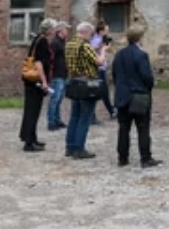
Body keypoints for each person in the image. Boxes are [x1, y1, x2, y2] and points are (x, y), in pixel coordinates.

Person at [111, 24, 159, 168]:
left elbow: (114, 74)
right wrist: (149, 86)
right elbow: (147, 76)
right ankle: (145, 158)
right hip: (138, 94)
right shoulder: (141, 55)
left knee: (123, 128)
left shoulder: (119, 54)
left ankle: (122, 157)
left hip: (122, 95)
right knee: (143, 128)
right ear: (140, 38)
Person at [64, 21, 106, 160]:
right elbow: (99, 62)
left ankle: (70, 146)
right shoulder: (84, 45)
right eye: (91, 34)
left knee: (74, 115)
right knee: (85, 116)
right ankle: (79, 148)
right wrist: (103, 51)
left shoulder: (69, 44)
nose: (91, 36)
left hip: (74, 80)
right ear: (86, 32)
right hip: (87, 82)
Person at [19, 19, 55, 152]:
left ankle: (32, 137)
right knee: (32, 111)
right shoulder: (42, 41)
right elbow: (38, 62)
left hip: (31, 81)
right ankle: (29, 142)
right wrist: (44, 81)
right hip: (35, 81)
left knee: (32, 110)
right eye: (53, 28)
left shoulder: (37, 39)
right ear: (49, 30)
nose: (54, 31)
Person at [90, 21, 117, 122]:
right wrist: (101, 47)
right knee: (99, 91)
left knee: (103, 91)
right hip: (97, 68)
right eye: (106, 30)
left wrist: (105, 47)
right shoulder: (95, 39)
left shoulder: (101, 39)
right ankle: (110, 111)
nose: (107, 32)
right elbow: (92, 50)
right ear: (101, 31)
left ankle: (111, 110)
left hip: (102, 68)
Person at [47, 20, 70, 131]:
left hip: (63, 73)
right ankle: (51, 121)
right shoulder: (55, 43)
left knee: (59, 98)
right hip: (57, 74)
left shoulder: (63, 42)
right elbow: (50, 58)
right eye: (66, 29)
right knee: (55, 99)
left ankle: (57, 119)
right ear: (60, 30)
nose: (67, 31)